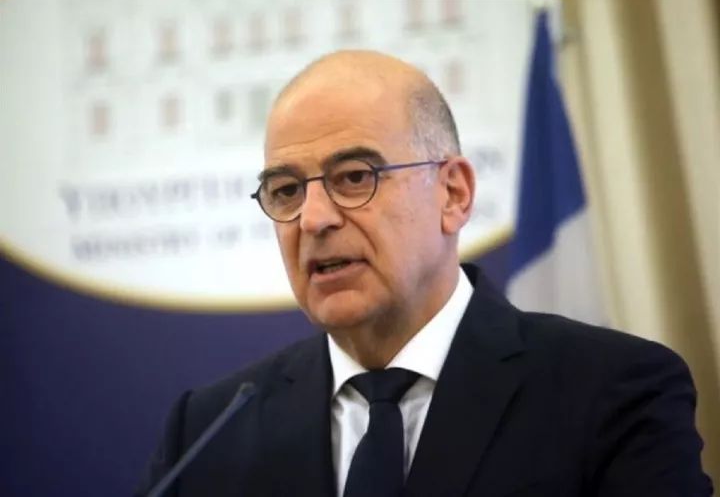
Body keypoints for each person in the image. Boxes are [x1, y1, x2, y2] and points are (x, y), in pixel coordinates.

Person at [135, 50, 713, 497]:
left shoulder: (610, 391)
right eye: (286, 190)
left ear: (453, 193)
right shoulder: (207, 431)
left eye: (354, 177)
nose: (312, 218)